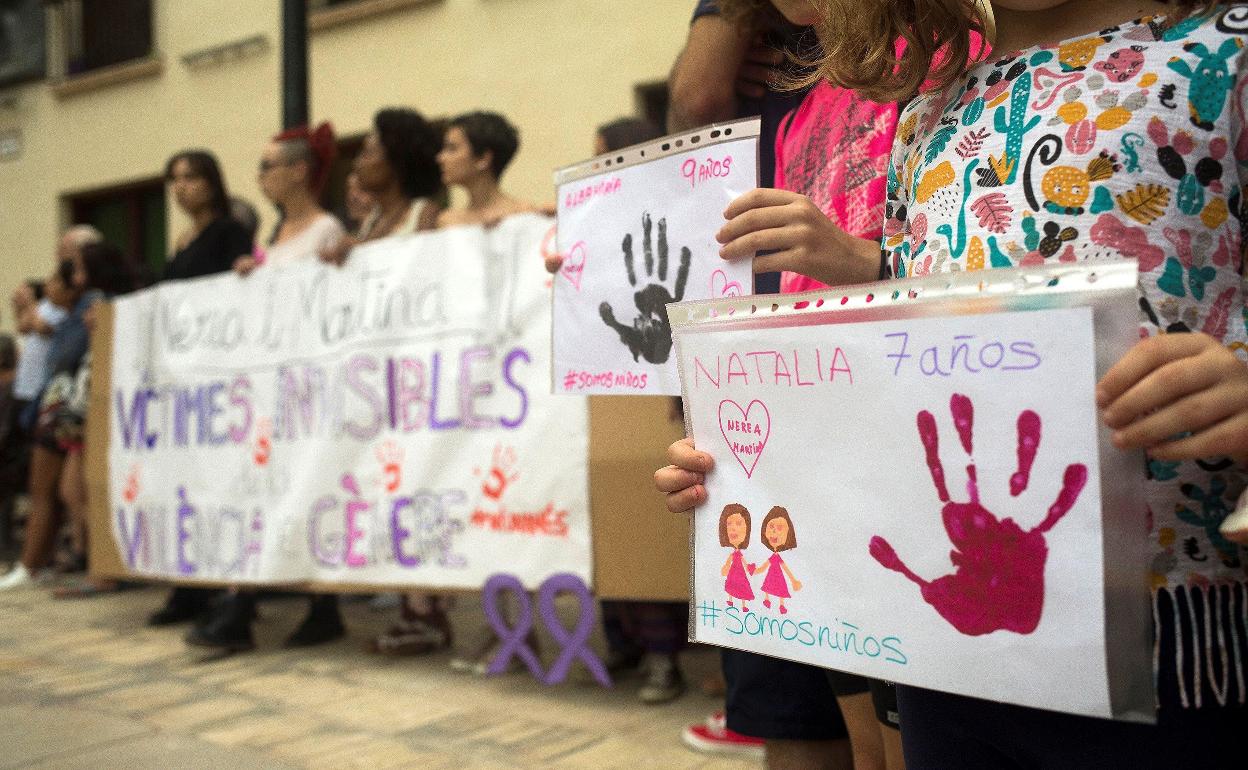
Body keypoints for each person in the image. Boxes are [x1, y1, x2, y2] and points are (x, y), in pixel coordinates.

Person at [661, 1, 1248, 767]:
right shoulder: (930, 106)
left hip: (1176, 622)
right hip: (949, 634)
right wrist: (759, 475)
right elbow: (905, 338)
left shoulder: (1224, 52)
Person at [186, 124, 350, 650]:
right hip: (269, 391)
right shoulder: (273, 239)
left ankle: (260, 605)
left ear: (298, 170)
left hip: (306, 388)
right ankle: (254, 601)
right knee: (267, 491)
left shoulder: (324, 230)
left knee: (300, 490)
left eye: (267, 166)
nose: (259, 177)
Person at [148, 150, 254, 625]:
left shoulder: (229, 232)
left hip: (217, 371)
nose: (181, 187)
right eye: (174, 179)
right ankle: (189, 585)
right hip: (184, 377)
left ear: (212, 182)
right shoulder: (182, 239)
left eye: (190, 177)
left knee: (218, 482)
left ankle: (220, 586)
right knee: (185, 483)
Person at [1, 243, 136, 590]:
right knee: (68, 491)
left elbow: (68, 356)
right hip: (66, 405)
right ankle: (67, 561)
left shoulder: (93, 306)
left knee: (68, 490)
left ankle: (50, 564)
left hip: (75, 406)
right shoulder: (76, 312)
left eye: (75, 270)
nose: (65, 280)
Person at [322, 108, 444, 265]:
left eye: (368, 154)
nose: (357, 163)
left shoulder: (424, 214)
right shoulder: (370, 222)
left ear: (396, 163)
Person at [435, 111, 538, 227]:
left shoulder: (523, 213)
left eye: (452, 149)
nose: (440, 158)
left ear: (483, 159)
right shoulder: (447, 221)